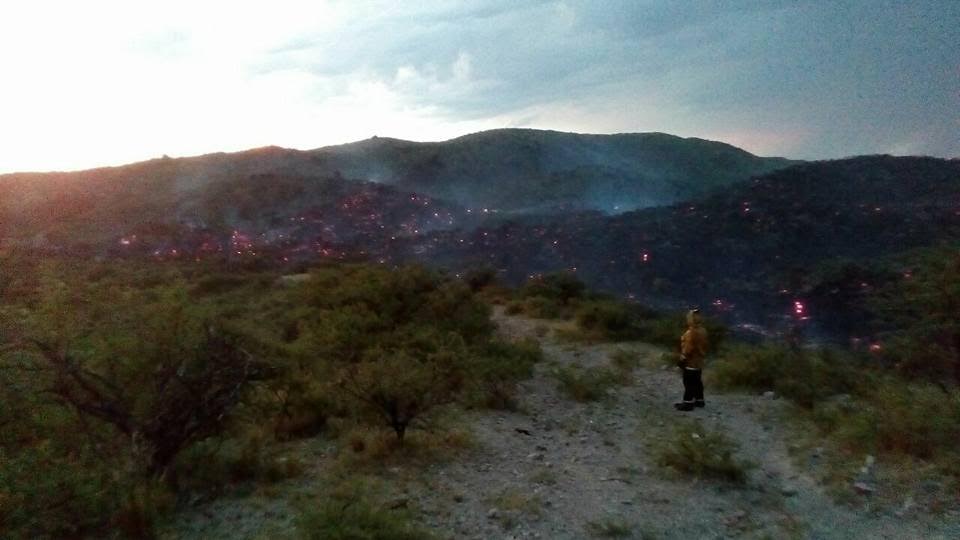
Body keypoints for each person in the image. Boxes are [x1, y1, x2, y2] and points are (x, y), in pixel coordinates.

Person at [675, 308, 708, 411]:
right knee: (697, 381)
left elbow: (688, 348)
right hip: (699, 361)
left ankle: (688, 403)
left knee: (688, 381)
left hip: (691, 361)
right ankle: (699, 400)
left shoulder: (691, 332)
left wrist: (682, 358)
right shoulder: (703, 330)